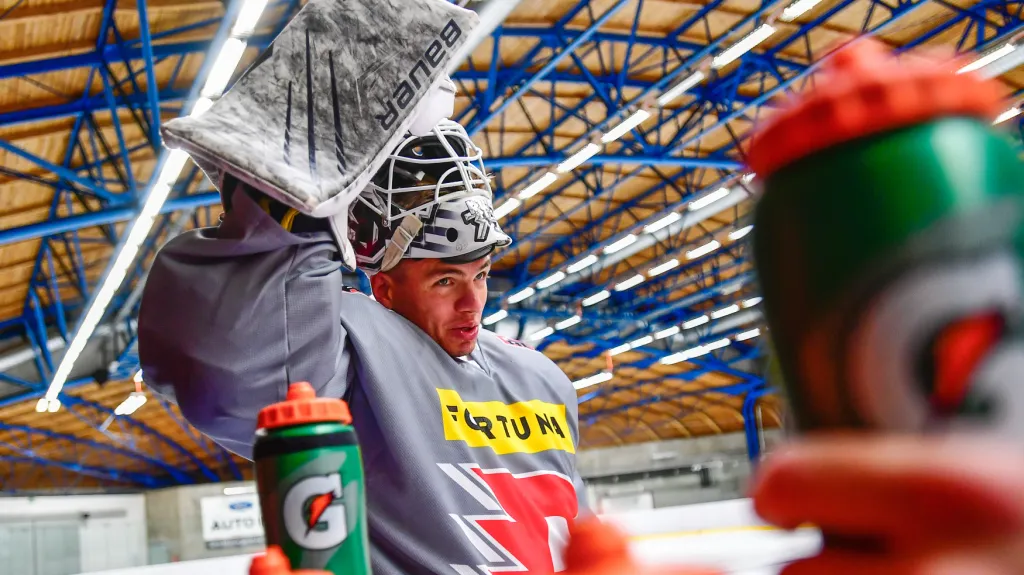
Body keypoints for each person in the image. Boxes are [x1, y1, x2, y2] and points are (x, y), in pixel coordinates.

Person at [138, 119, 589, 575]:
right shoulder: (350, 346)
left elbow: (577, 529)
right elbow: (236, 373)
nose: (472, 304)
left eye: (482, 274)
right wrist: (292, 224)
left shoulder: (543, 379)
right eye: (445, 280)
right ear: (385, 289)